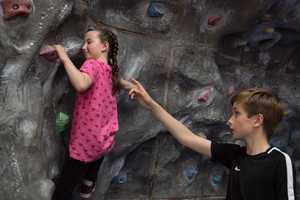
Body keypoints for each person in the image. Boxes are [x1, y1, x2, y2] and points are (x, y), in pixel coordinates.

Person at [128, 79, 295, 200]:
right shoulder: (235, 155)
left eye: (236, 113)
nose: (229, 120)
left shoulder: (279, 161)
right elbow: (186, 137)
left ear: (257, 120)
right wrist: (151, 104)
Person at [52, 27, 133, 200]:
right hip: (104, 137)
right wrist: (131, 86)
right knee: (97, 157)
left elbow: (81, 84)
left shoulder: (92, 65)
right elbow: (120, 82)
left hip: (85, 140)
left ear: (104, 46)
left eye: (89, 42)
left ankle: (86, 182)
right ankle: (88, 182)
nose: (83, 47)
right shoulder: (110, 71)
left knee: (63, 190)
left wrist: (64, 57)